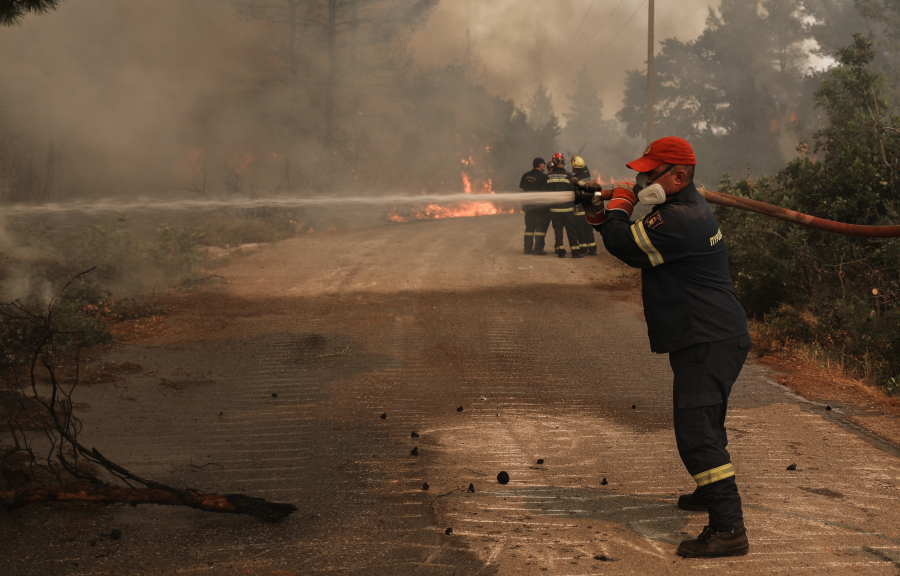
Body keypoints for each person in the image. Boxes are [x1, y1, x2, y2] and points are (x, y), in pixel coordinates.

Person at [582, 136, 752, 558]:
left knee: (696, 433)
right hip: (714, 335)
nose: (639, 179)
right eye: (638, 172)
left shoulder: (679, 219)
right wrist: (598, 212)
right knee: (706, 421)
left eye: (648, 173)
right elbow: (628, 237)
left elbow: (626, 245)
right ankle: (708, 490)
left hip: (707, 338)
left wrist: (620, 204)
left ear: (678, 176)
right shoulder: (679, 208)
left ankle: (729, 528)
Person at [544, 152, 582, 258]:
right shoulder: (569, 176)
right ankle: (575, 252)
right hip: (568, 208)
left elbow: (545, 193)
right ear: (563, 163)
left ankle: (560, 249)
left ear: (554, 163)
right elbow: (574, 192)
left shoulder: (548, 176)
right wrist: (575, 206)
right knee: (571, 230)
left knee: (558, 230)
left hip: (554, 209)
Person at [518, 157, 551, 255]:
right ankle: (538, 249)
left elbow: (521, 190)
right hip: (540, 207)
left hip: (528, 206)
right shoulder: (544, 177)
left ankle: (527, 249)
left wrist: (522, 204)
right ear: (540, 165)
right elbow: (545, 193)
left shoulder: (525, 175)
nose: (544, 166)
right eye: (543, 164)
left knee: (529, 228)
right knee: (540, 229)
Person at [570, 156, 598, 255]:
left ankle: (583, 249)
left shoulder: (576, 179)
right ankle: (592, 249)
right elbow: (584, 167)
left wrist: (575, 206)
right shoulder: (587, 173)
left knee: (580, 228)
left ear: (575, 167)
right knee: (588, 228)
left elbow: (575, 193)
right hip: (589, 205)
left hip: (581, 205)